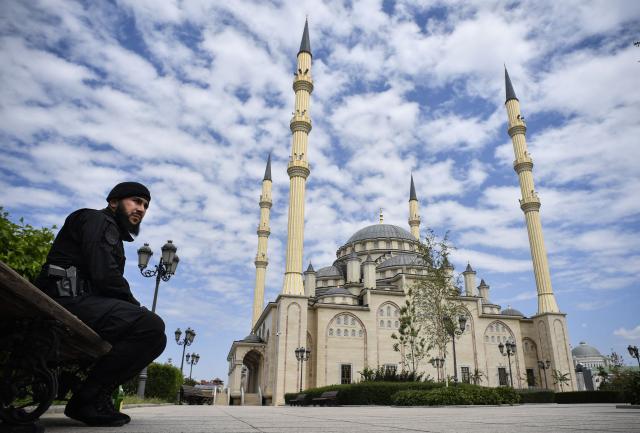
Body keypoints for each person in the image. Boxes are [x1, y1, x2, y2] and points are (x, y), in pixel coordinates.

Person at [35, 182, 167, 427]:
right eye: (136, 201)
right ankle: (88, 398)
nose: (141, 209)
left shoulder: (110, 230)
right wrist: (135, 307)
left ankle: (94, 395)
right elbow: (104, 273)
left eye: (145, 205)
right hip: (66, 301)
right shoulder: (97, 220)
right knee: (150, 327)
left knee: (154, 333)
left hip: (78, 302)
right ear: (114, 202)